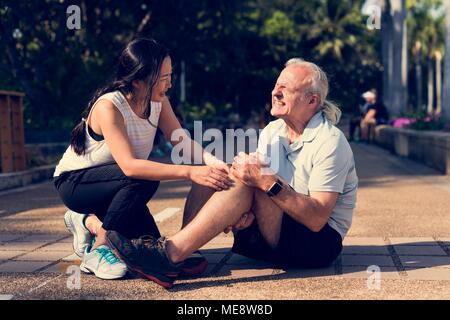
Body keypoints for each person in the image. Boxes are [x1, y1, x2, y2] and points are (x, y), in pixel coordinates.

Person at [105, 58, 359, 289]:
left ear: (312, 101)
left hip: (316, 245)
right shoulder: (273, 131)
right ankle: (185, 256)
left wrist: (266, 183)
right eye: (276, 85)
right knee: (216, 172)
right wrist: (246, 213)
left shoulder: (330, 142)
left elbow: (316, 219)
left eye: (286, 88)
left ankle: (170, 254)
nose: (275, 92)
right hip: (275, 234)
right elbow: (261, 194)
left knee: (246, 181)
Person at [54, 38, 232, 280]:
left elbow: (180, 140)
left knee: (152, 250)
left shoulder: (158, 101)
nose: (169, 84)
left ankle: (88, 223)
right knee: (144, 179)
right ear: (138, 81)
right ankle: (98, 250)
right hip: (76, 184)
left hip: (119, 186)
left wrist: (212, 162)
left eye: (171, 75)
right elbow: (129, 167)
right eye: (163, 78)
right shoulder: (110, 107)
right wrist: (190, 172)